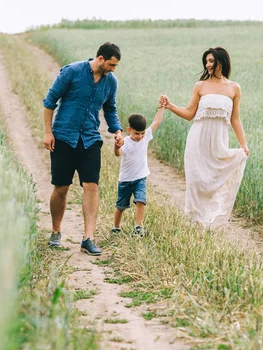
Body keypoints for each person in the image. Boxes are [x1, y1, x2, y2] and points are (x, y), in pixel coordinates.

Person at [43, 41, 124, 256]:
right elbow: (50, 101)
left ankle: (88, 237)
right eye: (111, 64)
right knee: (61, 187)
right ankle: (56, 230)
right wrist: (47, 132)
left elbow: (110, 108)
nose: (113, 69)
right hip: (64, 137)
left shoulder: (111, 82)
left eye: (116, 66)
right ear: (100, 59)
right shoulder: (72, 72)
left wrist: (116, 130)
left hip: (90, 139)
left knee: (92, 185)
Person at [161, 47, 249, 227]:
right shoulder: (200, 86)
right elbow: (189, 114)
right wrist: (170, 106)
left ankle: (209, 221)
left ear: (221, 62)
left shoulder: (234, 88)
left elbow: (235, 119)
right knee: (196, 180)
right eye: (206, 61)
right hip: (197, 140)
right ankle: (193, 224)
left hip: (218, 142)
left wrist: (243, 145)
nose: (208, 65)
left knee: (213, 180)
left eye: (211, 61)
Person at [112, 101, 166, 236]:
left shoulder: (146, 137)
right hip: (125, 180)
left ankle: (138, 227)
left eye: (142, 133)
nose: (140, 136)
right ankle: (116, 227)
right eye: (137, 133)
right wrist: (117, 146)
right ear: (129, 130)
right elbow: (118, 154)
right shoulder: (125, 142)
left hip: (140, 178)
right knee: (121, 206)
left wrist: (161, 108)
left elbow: (157, 122)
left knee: (141, 201)